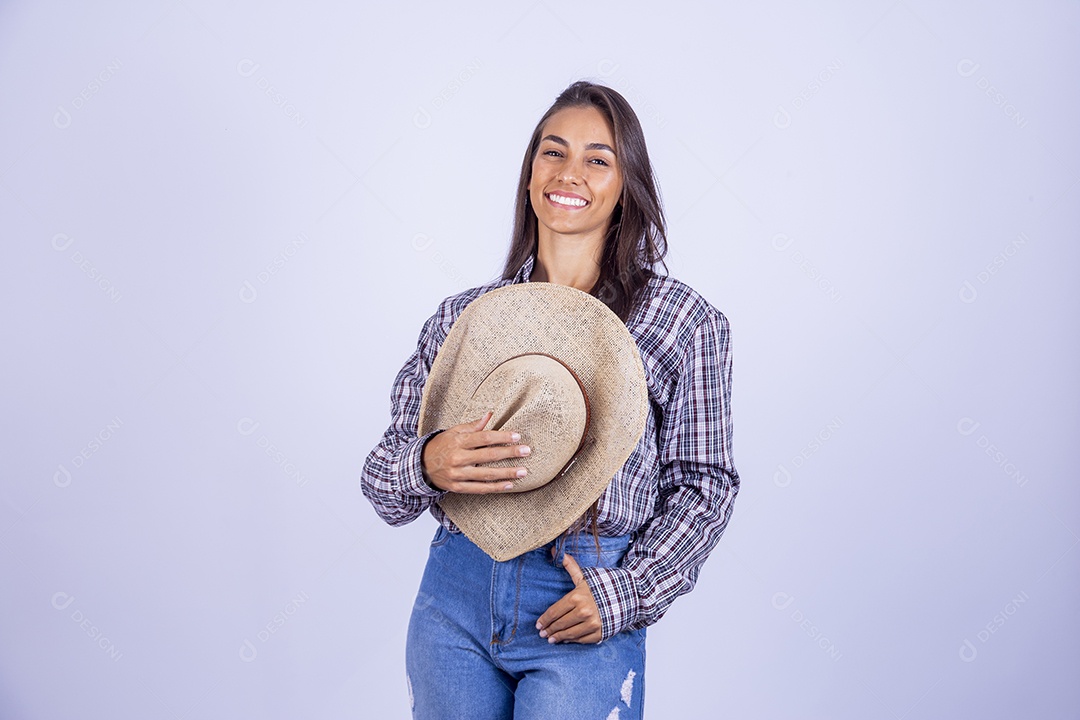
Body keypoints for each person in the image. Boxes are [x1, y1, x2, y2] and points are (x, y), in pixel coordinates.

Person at [362, 80, 739, 720]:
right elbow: (381, 482)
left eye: (599, 159)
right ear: (529, 171)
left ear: (628, 185)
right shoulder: (464, 319)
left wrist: (626, 594)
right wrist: (427, 462)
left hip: (579, 599)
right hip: (456, 592)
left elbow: (705, 486)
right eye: (552, 152)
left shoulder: (683, 323)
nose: (569, 173)